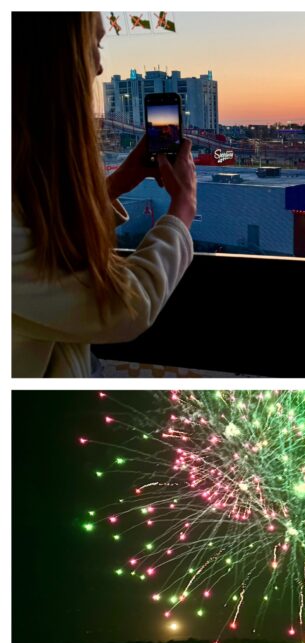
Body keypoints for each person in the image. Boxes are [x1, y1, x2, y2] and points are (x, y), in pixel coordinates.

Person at [12, 12, 197, 377]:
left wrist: (115, 184)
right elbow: (121, 307)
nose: (98, 67)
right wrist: (183, 209)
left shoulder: (23, 162)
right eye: (94, 45)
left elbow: (41, 242)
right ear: (54, 57)